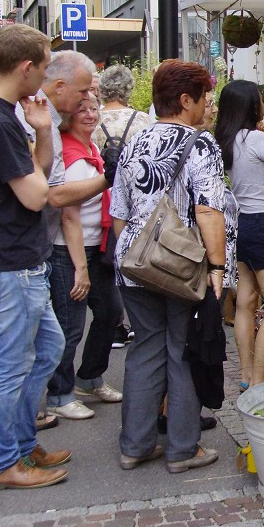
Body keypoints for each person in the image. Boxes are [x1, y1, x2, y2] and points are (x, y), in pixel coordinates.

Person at [0, 23, 69, 490]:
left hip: (13, 259)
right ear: (25, 68)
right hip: (8, 264)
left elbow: (33, 173)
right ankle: (1, 462)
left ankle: (20, 445)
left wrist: (43, 130)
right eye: (43, 69)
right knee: (8, 367)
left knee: (47, 349)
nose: (44, 79)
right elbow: (35, 195)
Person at [110, 60, 226, 474]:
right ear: (184, 100)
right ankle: (181, 448)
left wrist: (134, 257)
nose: (206, 107)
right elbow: (209, 210)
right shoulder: (199, 143)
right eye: (203, 99)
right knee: (181, 351)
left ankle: (135, 445)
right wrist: (216, 267)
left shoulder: (134, 142)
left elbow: (119, 213)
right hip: (181, 267)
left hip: (136, 264)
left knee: (145, 349)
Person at [45, 95, 123, 422]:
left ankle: (89, 378)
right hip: (70, 250)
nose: (91, 114)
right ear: (67, 117)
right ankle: (59, 394)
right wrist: (80, 268)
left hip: (97, 246)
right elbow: (68, 217)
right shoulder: (70, 154)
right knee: (69, 326)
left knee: (110, 313)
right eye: (82, 110)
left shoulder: (91, 149)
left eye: (94, 108)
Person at [214, 80, 264, 389]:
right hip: (263, 223)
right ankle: (259, 379)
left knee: (245, 301)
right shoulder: (257, 138)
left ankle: (246, 375)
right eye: (259, 101)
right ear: (251, 107)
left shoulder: (225, 139)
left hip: (239, 224)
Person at [95, 64, 152, 348]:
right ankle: (137, 315)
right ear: (129, 89)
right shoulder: (142, 121)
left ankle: (114, 321)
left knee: (106, 260)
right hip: (135, 200)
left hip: (99, 197)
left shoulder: (93, 120)